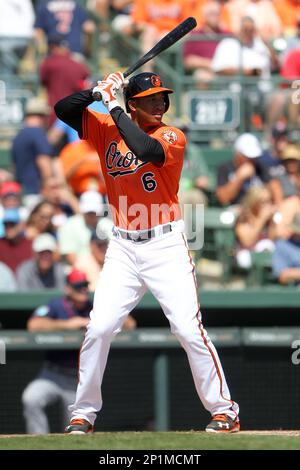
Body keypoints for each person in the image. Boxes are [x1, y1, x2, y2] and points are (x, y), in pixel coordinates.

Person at [55, 70, 240, 433]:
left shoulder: (171, 135)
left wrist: (113, 105)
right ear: (134, 104)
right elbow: (63, 108)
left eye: (162, 98)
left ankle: (225, 410)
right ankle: (83, 413)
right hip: (123, 246)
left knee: (187, 330)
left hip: (165, 244)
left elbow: (146, 150)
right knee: (100, 328)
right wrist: (97, 90)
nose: (159, 104)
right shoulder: (106, 127)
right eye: (150, 99)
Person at [21, 269, 92, 434]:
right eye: (78, 286)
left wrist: (95, 323)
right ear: (68, 288)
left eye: (85, 286)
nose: (83, 290)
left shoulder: (94, 306)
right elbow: (34, 325)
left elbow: (130, 323)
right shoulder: (56, 305)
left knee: (77, 432)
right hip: (52, 374)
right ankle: (39, 443)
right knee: (31, 398)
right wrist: (69, 324)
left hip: (79, 380)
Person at [216, 133, 269, 207]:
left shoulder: (260, 168)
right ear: (238, 154)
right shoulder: (225, 168)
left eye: (254, 157)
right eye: (248, 157)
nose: (252, 160)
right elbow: (223, 198)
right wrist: (239, 177)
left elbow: (270, 191)